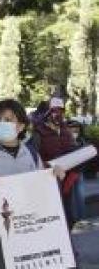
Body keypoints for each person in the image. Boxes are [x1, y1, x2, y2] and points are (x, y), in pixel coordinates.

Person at [0, 99, 65, 186]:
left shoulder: (32, 155)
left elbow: (42, 187)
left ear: (21, 126)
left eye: (7, 120)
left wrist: (54, 177)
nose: (1, 123)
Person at [32, 97, 85, 227]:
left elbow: (72, 149)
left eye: (61, 110)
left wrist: (81, 151)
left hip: (67, 180)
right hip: (48, 180)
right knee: (52, 217)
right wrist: (48, 168)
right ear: (47, 113)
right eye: (55, 111)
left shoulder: (66, 130)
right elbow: (33, 158)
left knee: (68, 217)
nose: (58, 114)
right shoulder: (38, 133)